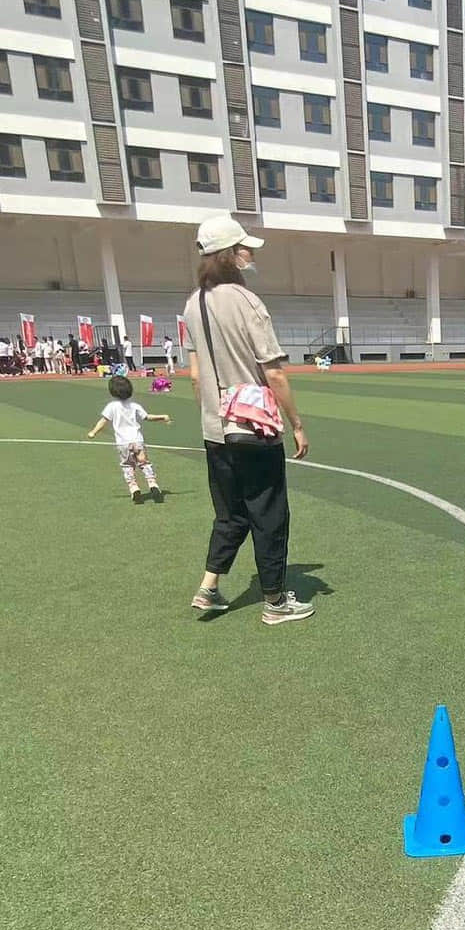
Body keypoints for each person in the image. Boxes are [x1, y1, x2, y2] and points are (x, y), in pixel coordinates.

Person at [182, 212, 314, 626]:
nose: (249, 254)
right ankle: (275, 600)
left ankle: (209, 586)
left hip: (215, 427)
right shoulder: (246, 301)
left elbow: (196, 374)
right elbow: (273, 371)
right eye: (244, 248)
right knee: (269, 512)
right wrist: (295, 422)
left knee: (230, 512)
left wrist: (211, 412)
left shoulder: (192, 304)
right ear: (230, 255)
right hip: (252, 425)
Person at [86, 375, 171, 503]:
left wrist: (93, 432)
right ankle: (153, 484)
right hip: (137, 440)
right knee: (144, 462)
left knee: (127, 465)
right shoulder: (135, 405)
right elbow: (147, 417)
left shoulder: (112, 406)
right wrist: (162, 417)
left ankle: (134, 488)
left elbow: (103, 421)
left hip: (122, 443)